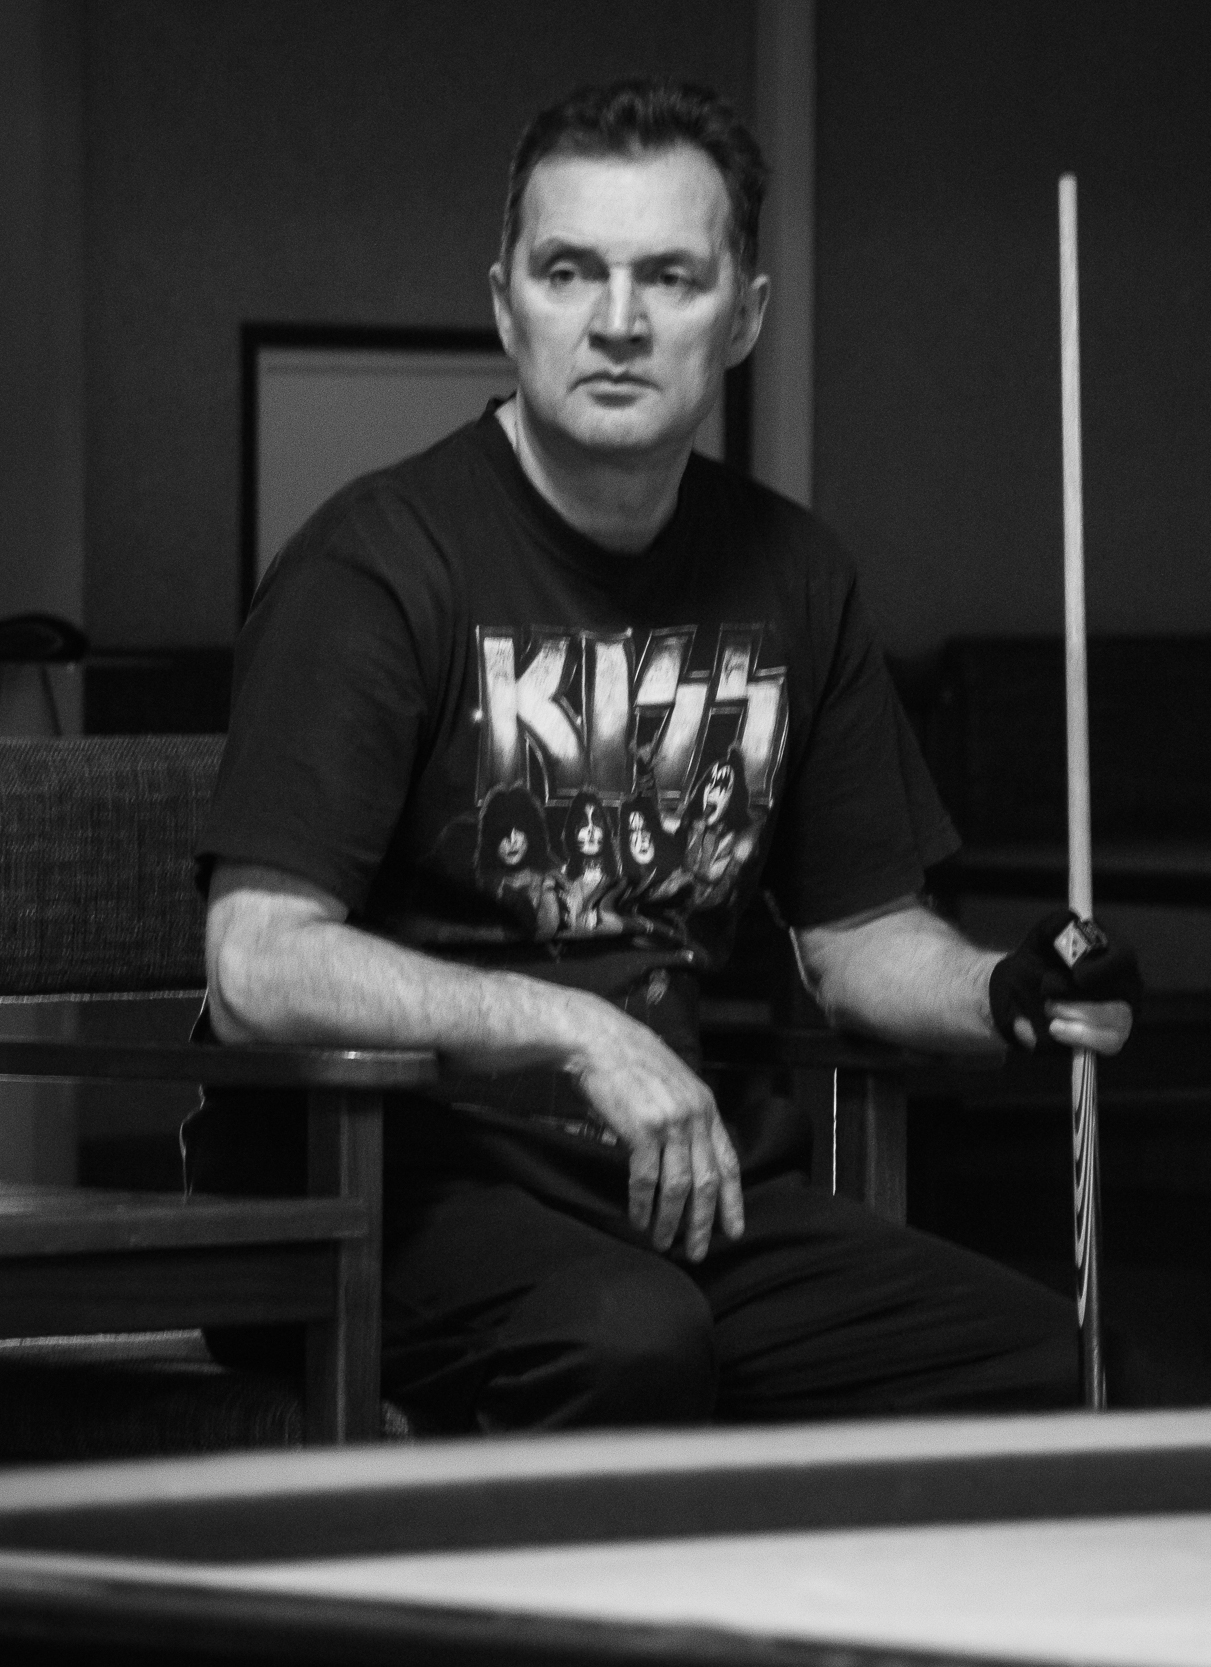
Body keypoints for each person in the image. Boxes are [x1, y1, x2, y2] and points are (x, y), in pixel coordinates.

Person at [189, 78, 1143, 1432]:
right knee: (631, 1340)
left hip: (675, 1193)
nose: (618, 321)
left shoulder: (794, 575)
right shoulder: (379, 567)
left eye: (670, 277)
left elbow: (860, 936)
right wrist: (577, 1031)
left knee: (1040, 1363)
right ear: (506, 304)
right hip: (385, 1190)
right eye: (569, 271)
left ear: (743, 315)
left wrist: (1009, 991)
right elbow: (257, 966)